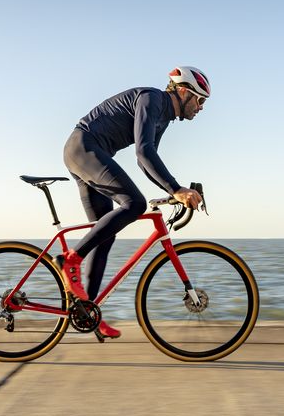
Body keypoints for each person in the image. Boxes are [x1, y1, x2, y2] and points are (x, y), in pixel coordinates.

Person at [60, 66, 210, 339]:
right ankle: (71, 259)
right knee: (134, 204)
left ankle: (88, 314)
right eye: (200, 100)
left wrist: (170, 191)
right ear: (185, 92)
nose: (201, 108)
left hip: (88, 153)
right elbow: (143, 152)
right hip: (84, 147)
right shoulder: (152, 99)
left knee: (105, 237)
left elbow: (146, 162)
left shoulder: (163, 118)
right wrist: (176, 188)